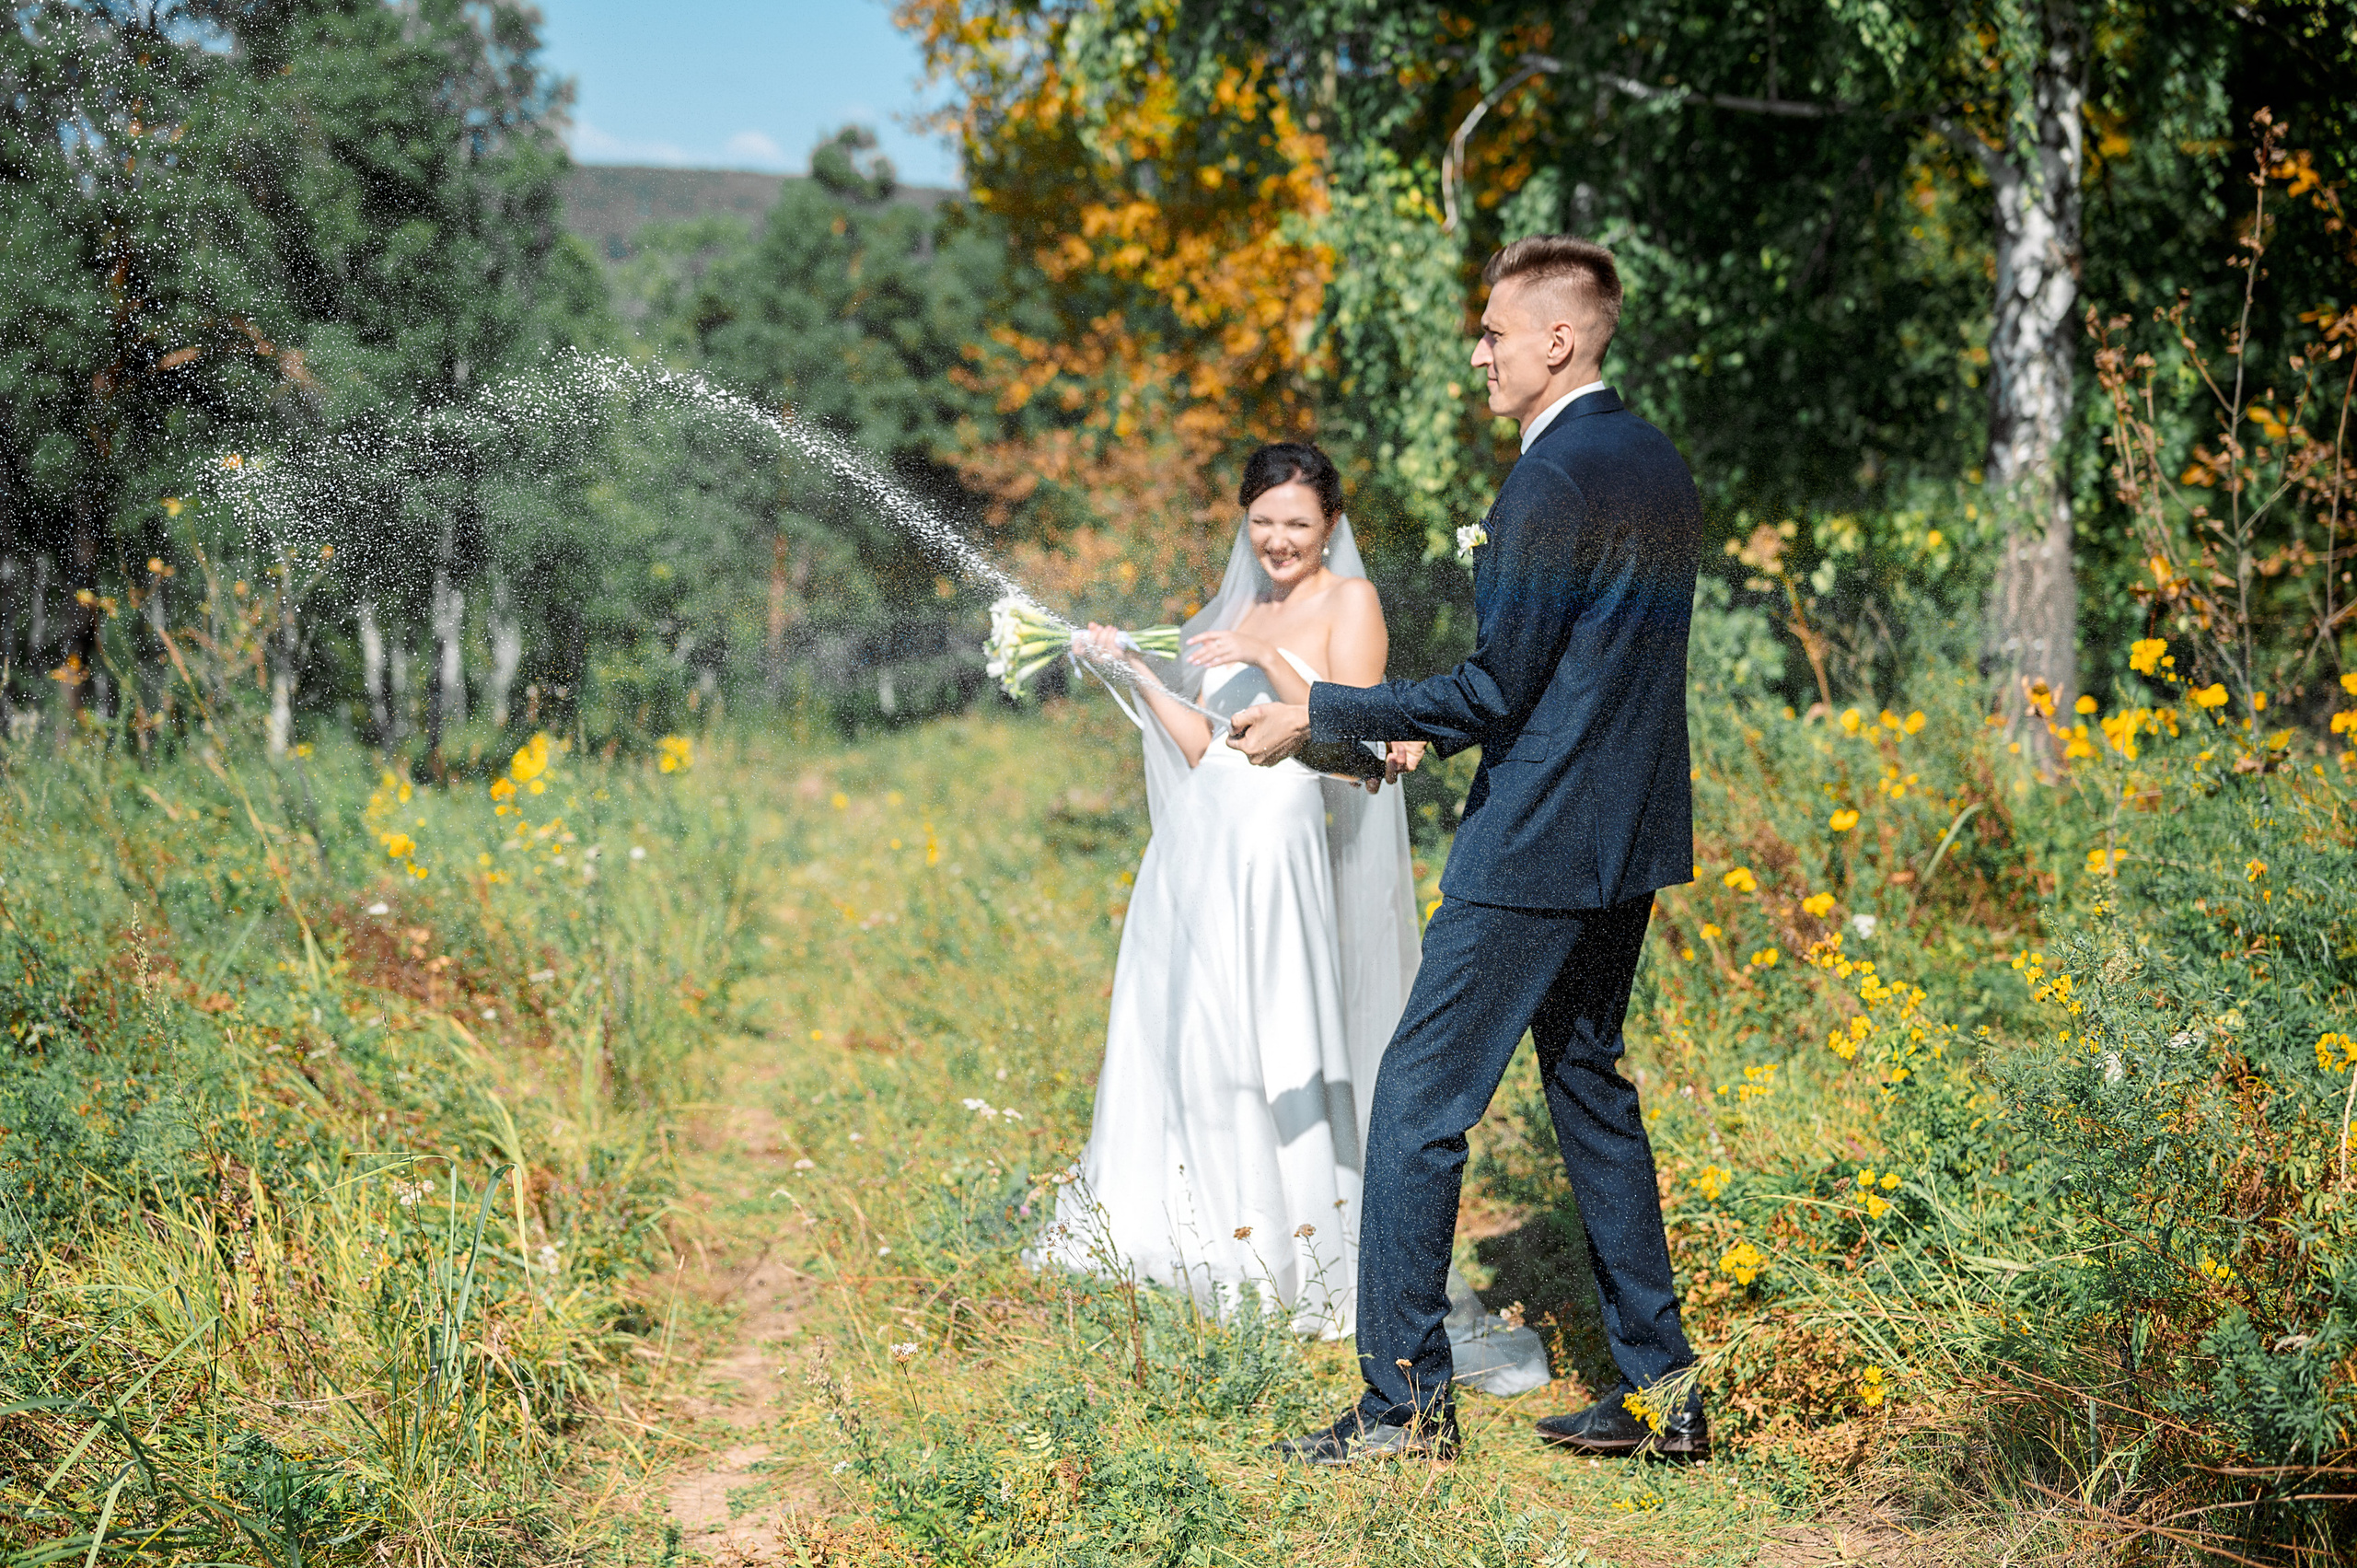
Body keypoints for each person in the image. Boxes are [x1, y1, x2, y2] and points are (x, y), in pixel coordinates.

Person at [1227, 236, 1708, 1463]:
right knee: (1590, 1091)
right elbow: (1582, 673)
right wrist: (1425, 736)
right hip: (1627, 836)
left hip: (1538, 844)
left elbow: (1501, 689)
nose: (1478, 351)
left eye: (1495, 331)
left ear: (1562, 338)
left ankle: (1400, 1409)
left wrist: (1325, 717)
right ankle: (1665, 1395)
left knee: (1417, 1107)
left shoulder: (1548, 481)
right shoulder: (1653, 462)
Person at [1033, 445, 1554, 1396]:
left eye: (1298, 524)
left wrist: (1270, 658)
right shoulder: (1223, 609)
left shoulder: (1348, 602)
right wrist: (1134, 672)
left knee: (1274, 1030)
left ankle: (1297, 1247)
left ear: (1329, 527)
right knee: (1193, 1036)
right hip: (1198, 846)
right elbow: (1205, 743)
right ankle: (1197, 1228)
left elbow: (1358, 735)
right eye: (1263, 521)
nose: (1277, 540)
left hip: (1280, 850)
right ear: (1244, 518)